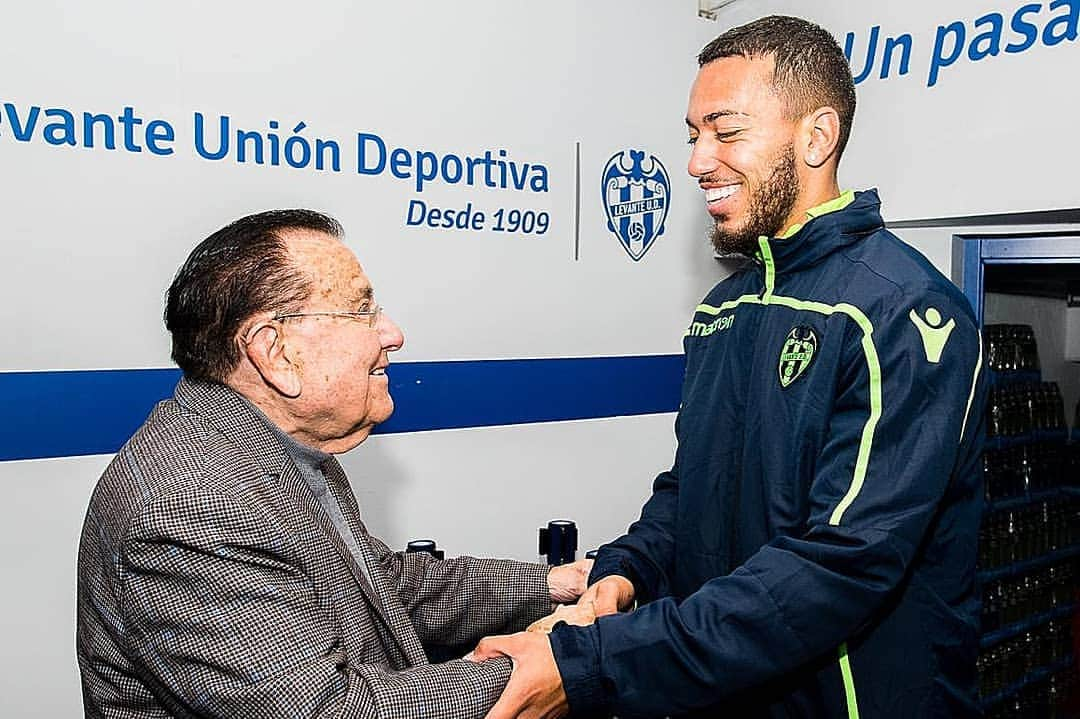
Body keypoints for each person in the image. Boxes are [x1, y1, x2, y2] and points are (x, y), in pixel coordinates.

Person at [473, 15, 988, 718]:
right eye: (693, 135)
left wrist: (597, 662)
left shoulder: (904, 312)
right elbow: (688, 495)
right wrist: (624, 575)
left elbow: (838, 566)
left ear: (817, 136)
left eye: (726, 130)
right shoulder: (724, 309)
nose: (695, 161)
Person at [75, 209, 590, 718]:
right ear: (275, 353)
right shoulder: (193, 504)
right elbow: (333, 708)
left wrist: (557, 585)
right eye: (362, 311)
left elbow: (378, 586)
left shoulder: (273, 444)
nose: (391, 333)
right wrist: (557, 664)